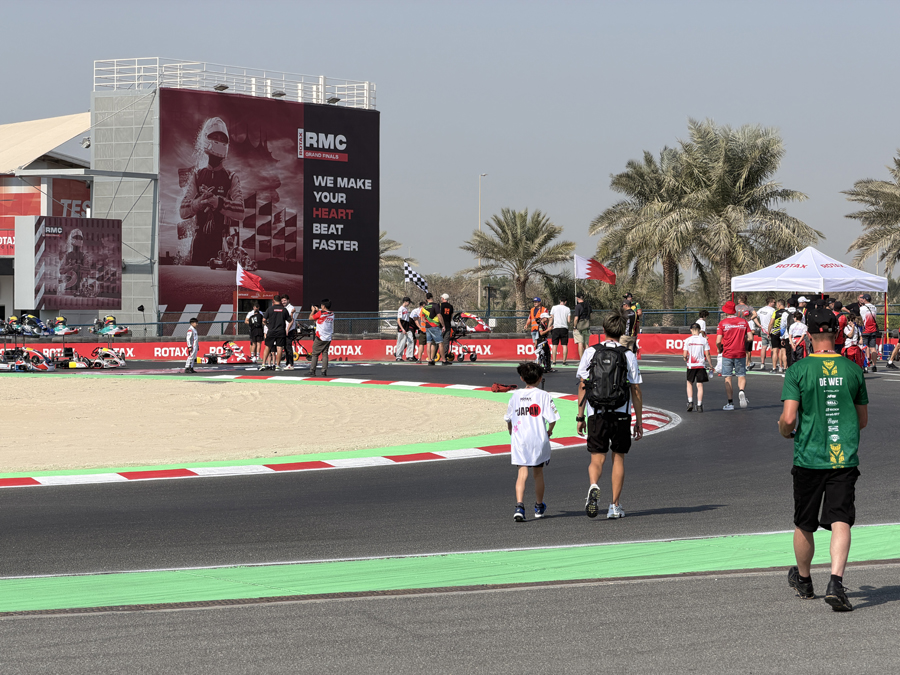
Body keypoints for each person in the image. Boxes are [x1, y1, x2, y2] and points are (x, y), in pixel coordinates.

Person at [779, 305, 868, 612]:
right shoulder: (853, 370)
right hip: (843, 458)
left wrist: (784, 430)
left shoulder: (798, 370)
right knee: (840, 519)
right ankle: (836, 583)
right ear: (836, 332)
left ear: (809, 334)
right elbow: (862, 420)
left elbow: (788, 419)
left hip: (809, 457)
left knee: (805, 523)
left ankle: (804, 581)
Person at [576, 312, 643, 520]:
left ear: (603, 330)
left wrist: (580, 416)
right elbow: (635, 390)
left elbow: (583, 385)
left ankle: (593, 485)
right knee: (618, 458)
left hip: (596, 412)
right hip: (621, 414)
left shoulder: (590, 352)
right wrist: (639, 421)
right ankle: (614, 506)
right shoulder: (628, 355)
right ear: (622, 332)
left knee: (597, 458)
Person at [179, 117, 246, 266]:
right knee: (195, 279)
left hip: (221, 243)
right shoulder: (197, 175)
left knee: (217, 281)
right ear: (206, 139)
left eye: (222, 138)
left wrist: (218, 203)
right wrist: (198, 203)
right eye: (215, 137)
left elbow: (241, 211)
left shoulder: (231, 177)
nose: (218, 141)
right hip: (199, 242)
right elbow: (182, 211)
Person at [505, 362, 560, 522]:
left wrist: (511, 431)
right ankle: (538, 506)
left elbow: (508, 419)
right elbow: (553, 419)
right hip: (538, 439)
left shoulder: (515, 396)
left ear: (522, 378)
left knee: (522, 473)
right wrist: (549, 431)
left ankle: (519, 506)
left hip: (520, 439)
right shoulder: (544, 395)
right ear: (540, 378)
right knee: (538, 473)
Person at [716, 300, 752, 410]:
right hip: (740, 352)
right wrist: (743, 341)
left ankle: (730, 403)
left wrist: (719, 348)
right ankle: (741, 391)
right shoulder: (743, 322)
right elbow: (750, 337)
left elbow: (718, 340)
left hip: (727, 353)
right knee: (741, 375)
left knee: (728, 377)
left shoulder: (722, 323)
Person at [683, 323, 711, 412]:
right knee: (700, 385)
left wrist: (685, 358)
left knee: (689, 383)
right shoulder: (704, 340)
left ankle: (690, 402)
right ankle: (699, 405)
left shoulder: (687, 340)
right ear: (699, 330)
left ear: (691, 330)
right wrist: (711, 365)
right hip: (701, 365)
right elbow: (708, 354)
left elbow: (684, 354)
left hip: (691, 365)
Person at [260, 295, 291, 371]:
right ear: (280, 301)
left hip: (271, 330)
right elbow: (289, 320)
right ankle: (277, 365)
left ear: (273, 301)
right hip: (281, 331)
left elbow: (264, 320)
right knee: (279, 347)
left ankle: (263, 364)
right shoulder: (284, 310)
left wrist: (267, 324)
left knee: (267, 347)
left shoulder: (270, 309)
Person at [308, 299, 334, 377]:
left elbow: (310, 318)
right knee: (325, 354)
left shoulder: (320, 313)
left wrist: (313, 311)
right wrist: (318, 310)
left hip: (320, 336)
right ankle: (324, 371)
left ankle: (312, 371)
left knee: (315, 354)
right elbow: (320, 318)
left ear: (323, 306)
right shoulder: (332, 314)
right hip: (328, 337)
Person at [735, 295, 759, 370]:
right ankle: (748, 363)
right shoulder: (748, 307)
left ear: (739, 300)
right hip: (745, 326)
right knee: (747, 349)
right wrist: (749, 319)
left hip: (738, 326)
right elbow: (755, 314)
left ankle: (743, 363)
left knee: (741, 347)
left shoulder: (736, 307)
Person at [858, 294, 880, 372]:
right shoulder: (874, 307)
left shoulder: (862, 308)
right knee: (873, 348)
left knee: (865, 347)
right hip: (873, 330)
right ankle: (874, 365)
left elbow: (861, 318)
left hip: (865, 329)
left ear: (865, 299)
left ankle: (866, 364)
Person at [420, 293, 442, 366]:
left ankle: (429, 359)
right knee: (439, 343)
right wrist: (443, 324)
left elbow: (423, 318)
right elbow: (439, 315)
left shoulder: (424, 307)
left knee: (429, 343)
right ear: (432, 297)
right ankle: (441, 359)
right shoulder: (436, 305)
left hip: (428, 327)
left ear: (426, 299)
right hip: (435, 326)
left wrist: (427, 321)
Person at [755, 297, 776, 371]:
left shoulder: (761, 309)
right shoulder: (773, 310)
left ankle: (762, 363)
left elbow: (754, 316)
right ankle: (774, 364)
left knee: (764, 347)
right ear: (770, 303)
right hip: (770, 331)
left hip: (763, 330)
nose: (775, 303)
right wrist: (759, 324)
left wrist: (758, 324)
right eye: (774, 302)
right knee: (772, 348)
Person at [549, 298, 571, 366]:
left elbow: (551, 318)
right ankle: (564, 362)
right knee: (564, 345)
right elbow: (569, 320)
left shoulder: (554, 307)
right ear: (565, 302)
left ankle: (554, 362)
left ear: (560, 301)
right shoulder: (567, 309)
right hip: (564, 328)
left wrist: (548, 327)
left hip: (556, 328)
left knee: (554, 345)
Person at [769, 299, 787, 373]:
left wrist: (769, 332)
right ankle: (785, 368)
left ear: (779, 305)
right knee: (784, 351)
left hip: (775, 333)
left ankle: (774, 368)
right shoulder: (787, 312)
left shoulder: (775, 312)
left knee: (775, 351)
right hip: (784, 333)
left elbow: (771, 323)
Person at [572, 292, 592, 359]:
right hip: (587, 326)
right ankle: (588, 359)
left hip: (579, 327)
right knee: (586, 344)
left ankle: (581, 360)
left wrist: (574, 326)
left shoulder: (578, 306)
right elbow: (591, 316)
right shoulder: (588, 305)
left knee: (580, 343)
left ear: (577, 298)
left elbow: (576, 318)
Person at [395, 297, 413, 362]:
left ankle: (409, 356)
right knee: (401, 342)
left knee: (410, 340)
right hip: (402, 327)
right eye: (408, 302)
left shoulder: (406, 309)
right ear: (405, 302)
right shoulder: (401, 309)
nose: (409, 303)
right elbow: (398, 320)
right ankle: (398, 357)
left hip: (406, 326)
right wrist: (402, 329)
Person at [282, 294, 297, 370]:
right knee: (285, 347)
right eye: (282, 301)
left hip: (289, 330)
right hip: (285, 329)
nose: (283, 302)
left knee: (288, 347)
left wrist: (287, 330)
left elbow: (291, 320)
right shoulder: (284, 308)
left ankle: (290, 364)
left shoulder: (291, 308)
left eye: (285, 300)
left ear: (288, 300)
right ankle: (288, 363)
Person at [439, 293, 454, 364]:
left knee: (438, 341)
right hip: (448, 325)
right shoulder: (451, 306)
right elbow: (451, 316)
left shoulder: (440, 305)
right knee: (446, 342)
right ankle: (444, 358)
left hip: (440, 326)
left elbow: (438, 315)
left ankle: (434, 356)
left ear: (443, 298)